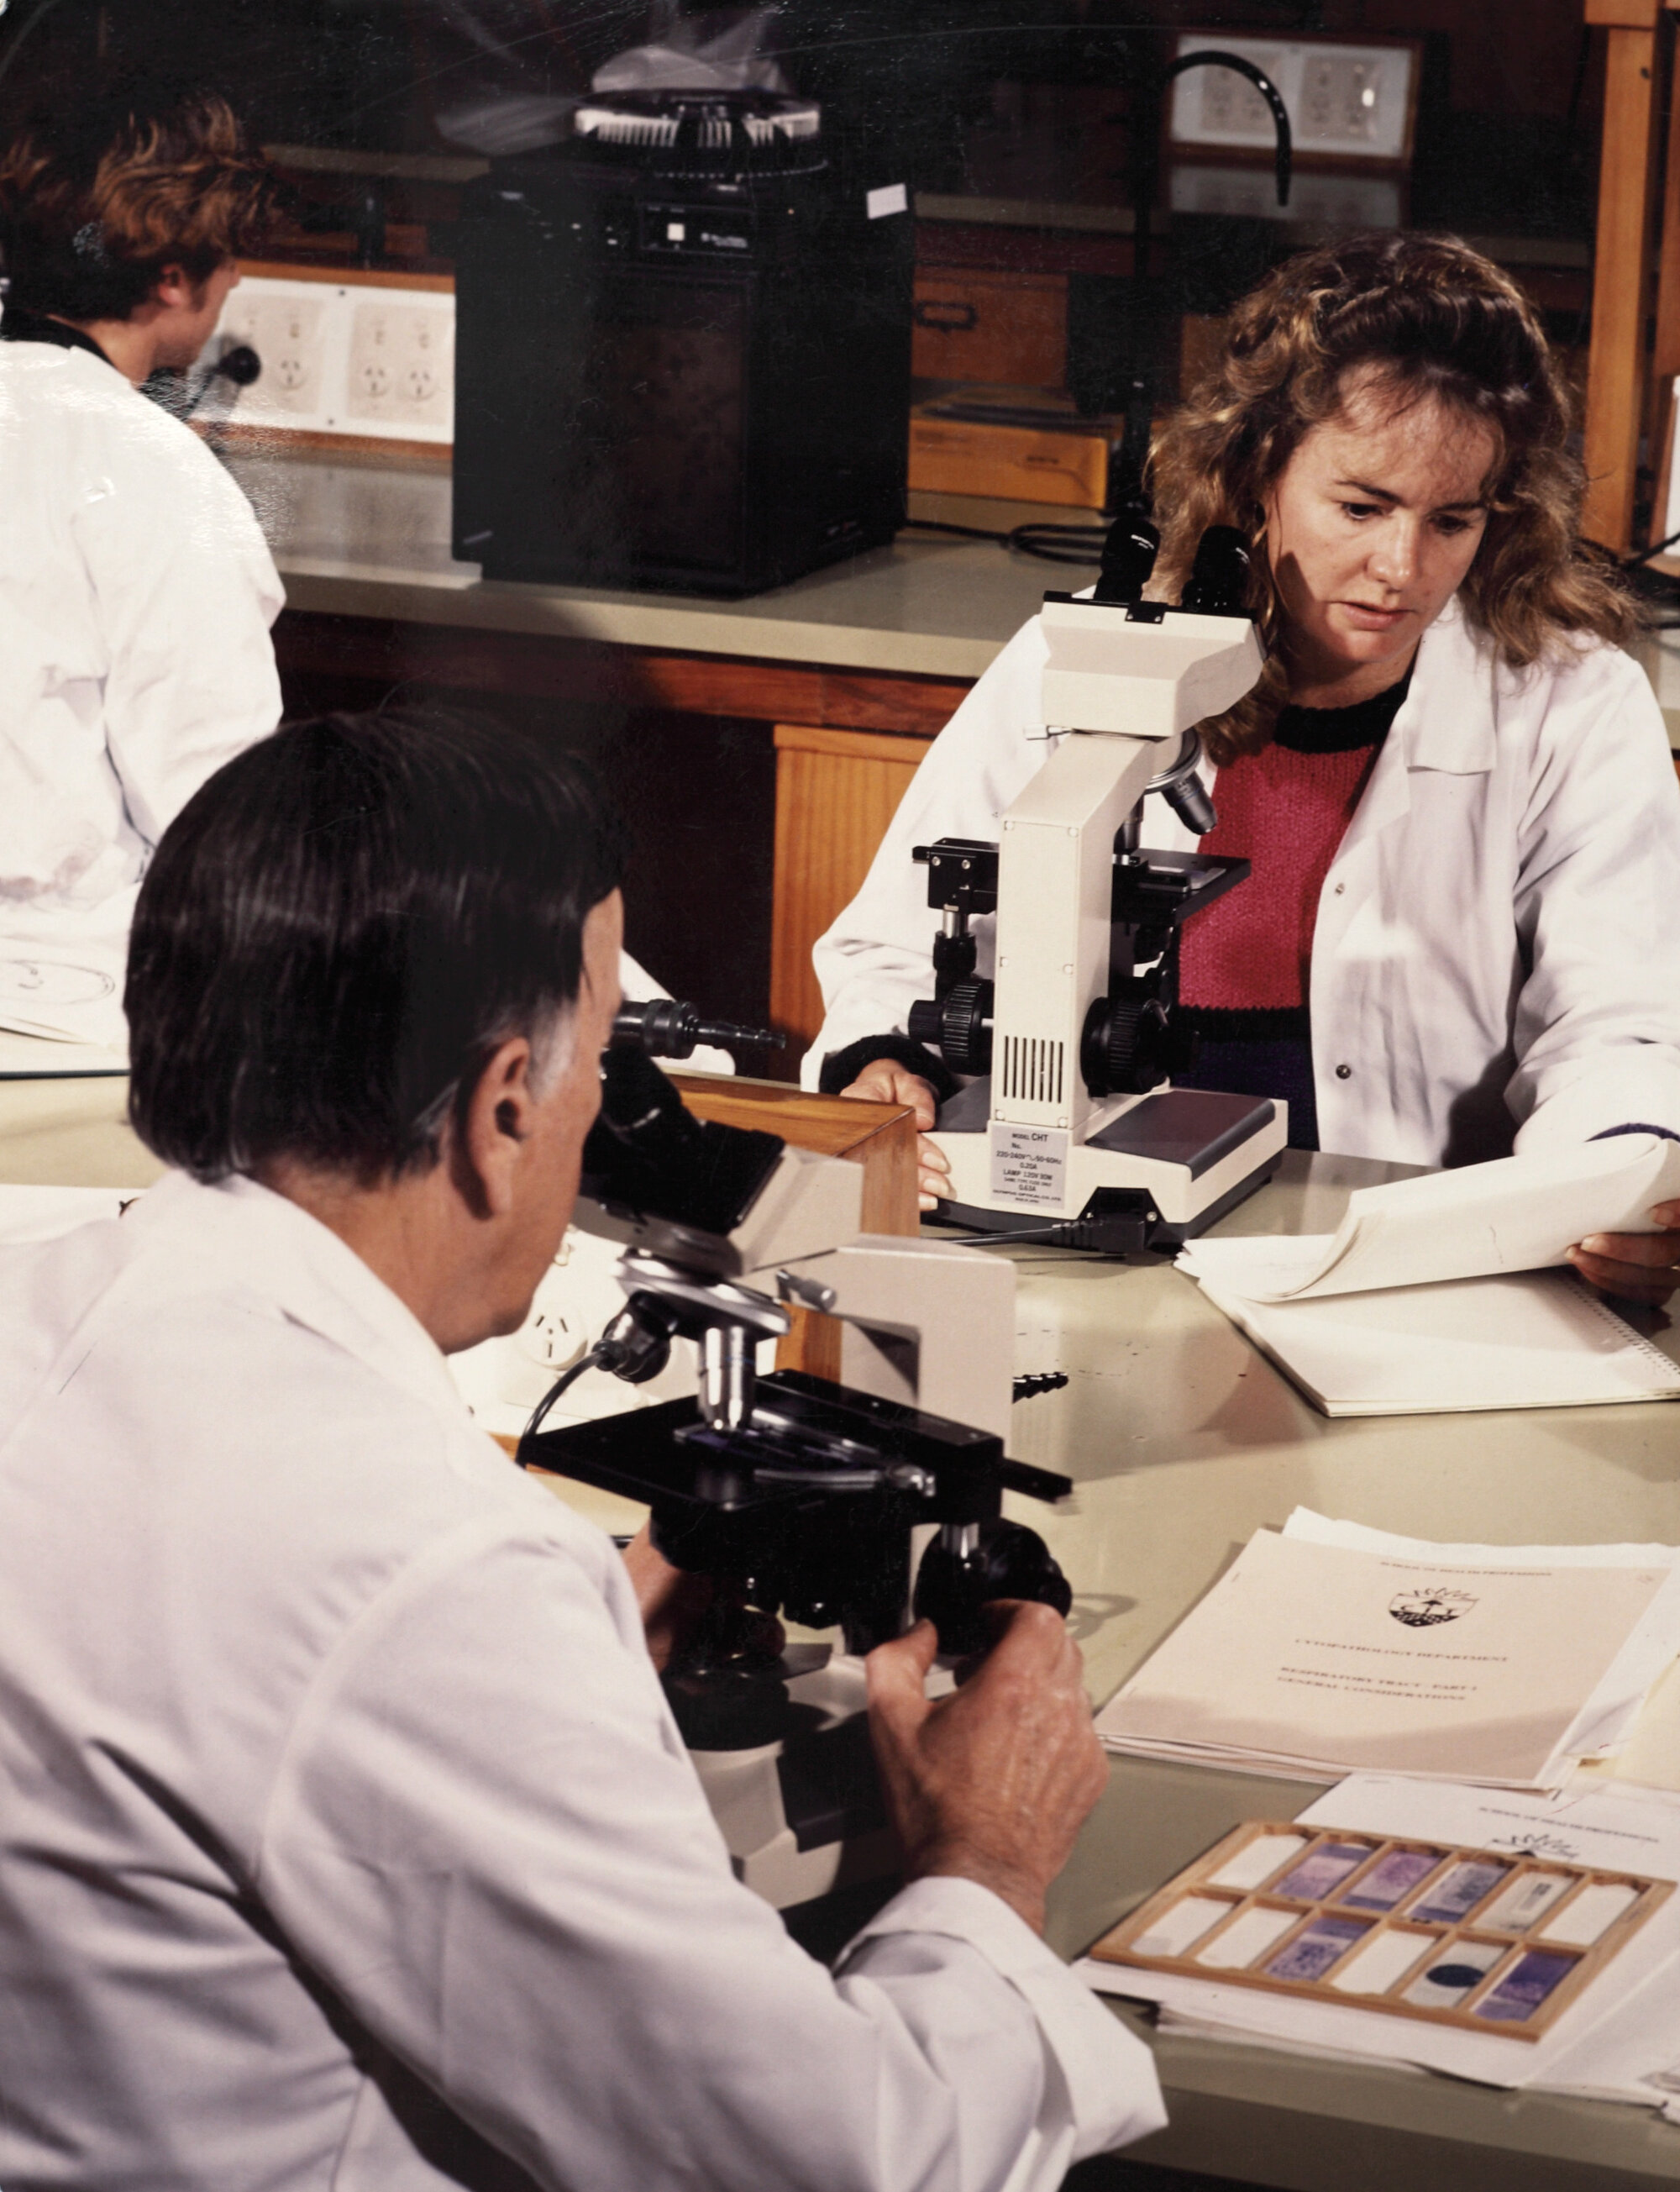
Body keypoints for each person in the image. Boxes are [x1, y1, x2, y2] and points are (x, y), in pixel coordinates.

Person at [0, 708, 1164, 2189]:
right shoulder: (425, 1568)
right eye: (605, 1058)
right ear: (503, 1107)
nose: (608, 1115)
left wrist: (575, 1665)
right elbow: (852, 2158)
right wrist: (987, 1857)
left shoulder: (39, 1310)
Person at [806, 232, 1680, 1306]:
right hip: (1078, 1237)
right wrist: (882, 1065)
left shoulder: (1566, 702)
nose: (1401, 567)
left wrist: (1614, 1175)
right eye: (1359, 507)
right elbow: (897, 946)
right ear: (1257, 470)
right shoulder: (1074, 661)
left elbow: (1618, 1019)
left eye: (1450, 520)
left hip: (1413, 1261)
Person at [0, 79, 283, 1051]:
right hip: (55, 1004)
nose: (234, 280)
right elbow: (215, 814)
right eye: (228, 258)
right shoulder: (154, 470)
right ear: (171, 278)